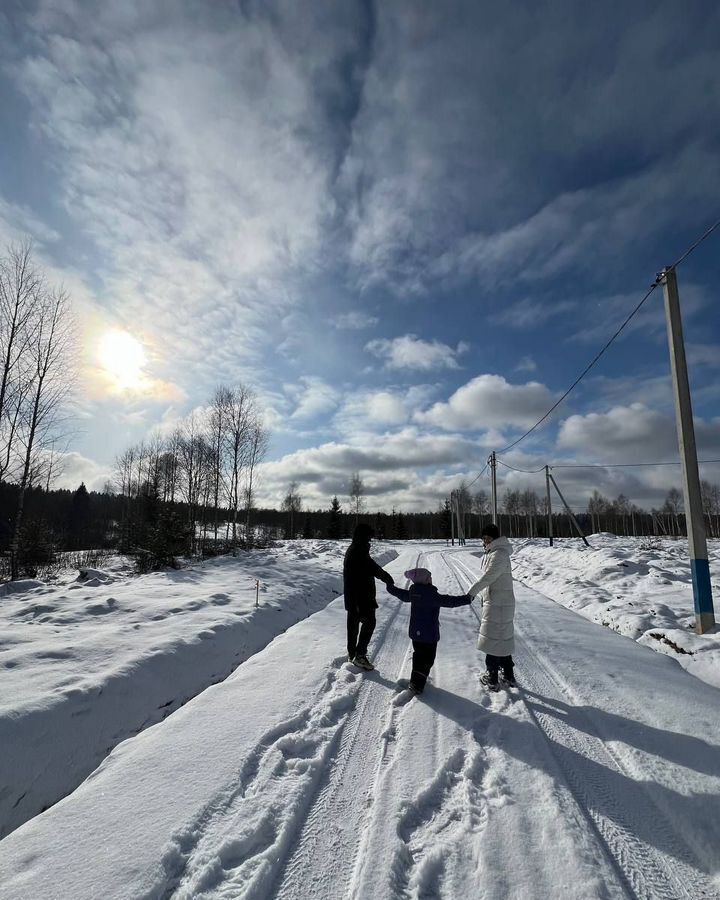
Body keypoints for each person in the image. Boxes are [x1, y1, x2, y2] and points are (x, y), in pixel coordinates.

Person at [387, 567, 472, 694]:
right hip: (429, 636)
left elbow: (402, 595)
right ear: (426, 580)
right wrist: (467, 599)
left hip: (416, 634)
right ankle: (417, 685)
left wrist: (390, 587)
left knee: (418, 656)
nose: (431, 579)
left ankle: (415, 680)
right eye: (429, 577)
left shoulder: (413, 593)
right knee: (428, 659)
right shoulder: (432, 595)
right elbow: (450, 601)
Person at [468, 524, 516, 690]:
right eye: (484, 538)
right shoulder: (495, 552)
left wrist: (471, 593)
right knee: (501, 638)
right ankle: (508, 675)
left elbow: (488, 577)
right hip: (498, 602)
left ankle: (492, 677)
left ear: (495, 539)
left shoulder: (499, 554)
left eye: (489, 538)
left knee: (492, 639)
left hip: (499, 604)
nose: (486, 541)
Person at [343, 523, 394, 670]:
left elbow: (371, 566)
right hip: (361, 597)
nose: (370, 539)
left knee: (353, 626)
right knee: (369, 622)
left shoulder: (356, 549)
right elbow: (372, 568)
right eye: (369, 536)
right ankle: (359, 656)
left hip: (355, 597)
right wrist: (386, 577)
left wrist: (384, 576)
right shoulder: (358, 551)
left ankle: (353, 654)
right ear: (363, 536)